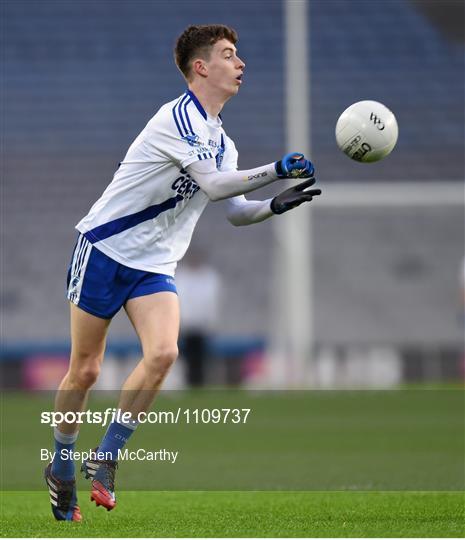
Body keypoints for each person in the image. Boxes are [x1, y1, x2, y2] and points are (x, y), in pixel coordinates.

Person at [44, 24, 321, 522]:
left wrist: (274, 206)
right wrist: (278, 167)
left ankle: (105, 456)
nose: (240, 64)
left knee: (165, 352)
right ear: (201, 67)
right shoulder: (174, 119)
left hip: (153, 264)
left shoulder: (223, 142)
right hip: (105, 248)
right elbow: (214, 187)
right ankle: (61, 462)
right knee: (84, 369)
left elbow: (234, 210)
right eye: (229, 55)